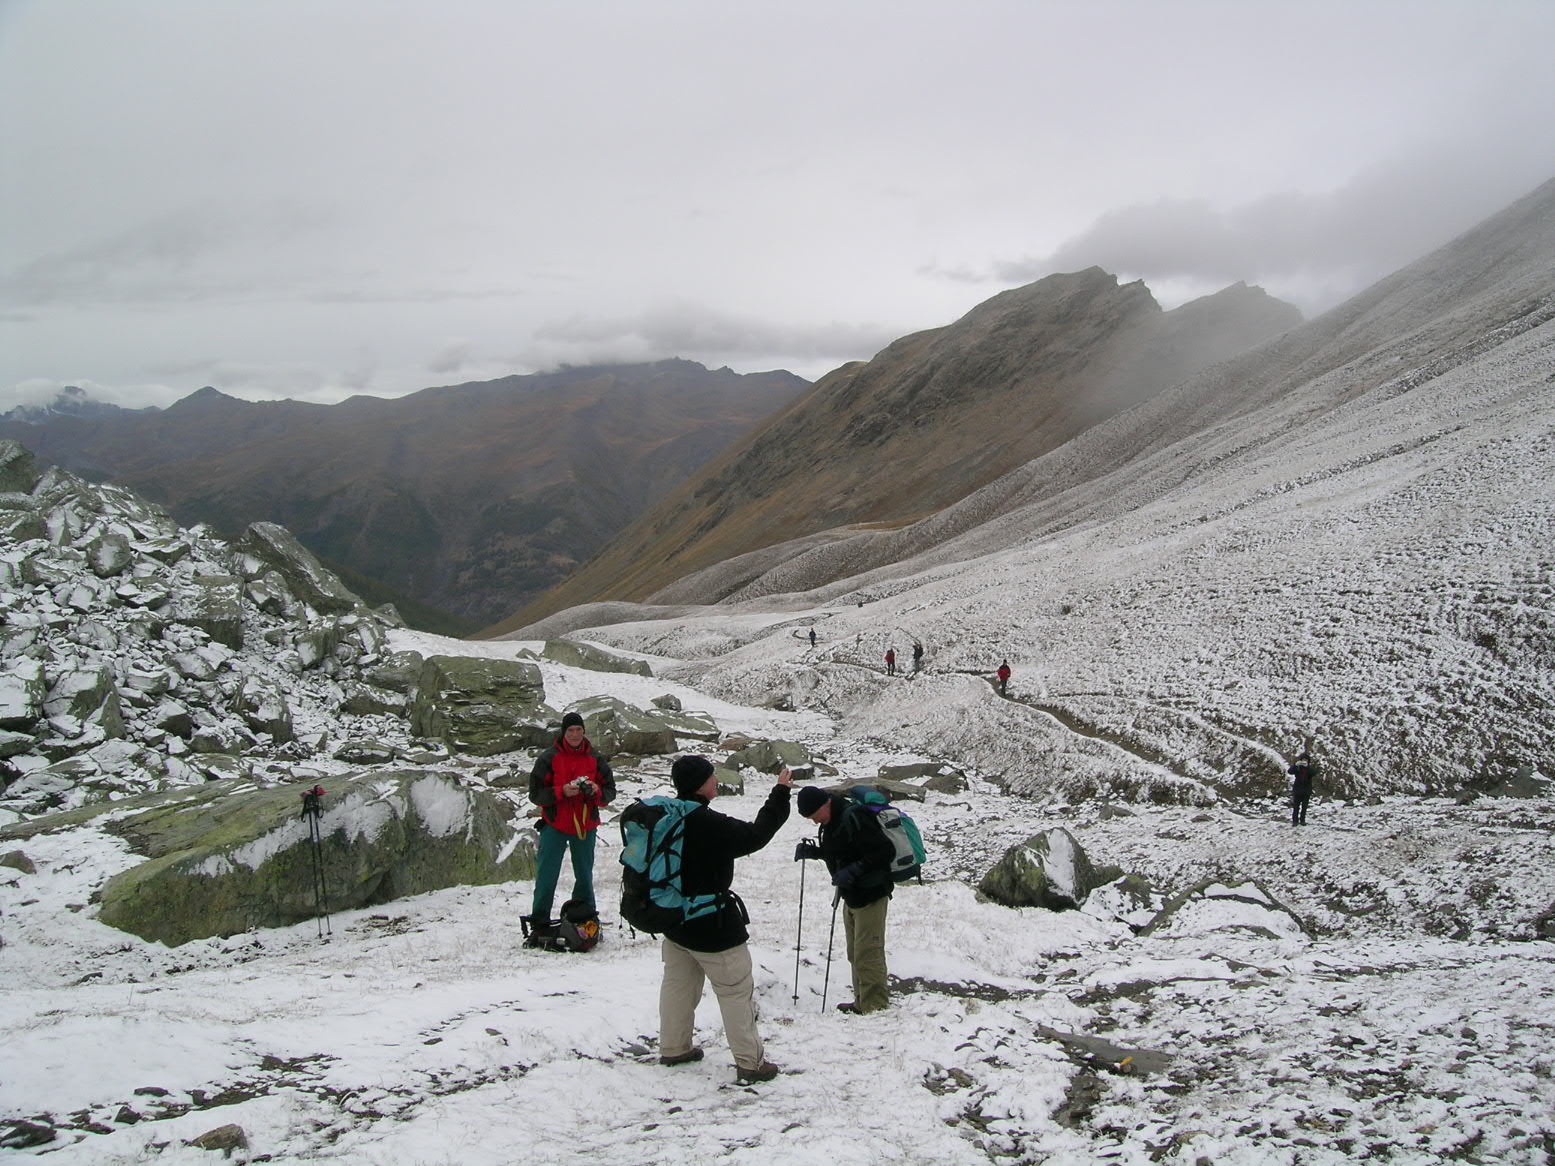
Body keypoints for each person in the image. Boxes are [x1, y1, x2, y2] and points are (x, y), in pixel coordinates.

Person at [657, 755, 793, 1085]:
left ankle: (674, 1048)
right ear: (698, 785)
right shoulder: (708, 823)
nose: (716, 780)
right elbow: (757, 835)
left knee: (677, 987)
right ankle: (751, 1063)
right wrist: (780, 793)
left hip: (674, 922)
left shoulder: (665, 815)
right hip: (713, 925)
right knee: (735, 993)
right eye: (711, 776)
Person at [794, 786, 895, 1014]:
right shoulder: (831, 822)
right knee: (854, 952)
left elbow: (884, 852)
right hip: (851, 895)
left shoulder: (855, 816)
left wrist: (854, 870)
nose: (814, 821)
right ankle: (862, 1001)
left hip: (871, 894)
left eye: (814, 815)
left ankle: (875, 1006)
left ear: (825, 804)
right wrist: (814, 853)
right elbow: (841, 852)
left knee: (868, 953)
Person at [525, 711, 615, 944]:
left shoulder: (595, 758)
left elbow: (610, 792)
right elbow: (535, 794)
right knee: (547, 875)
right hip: (555, 824)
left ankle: (585, 919)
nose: (575, 735)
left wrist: (596, 791)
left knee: (584, 875)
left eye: (579, 730)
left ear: (584, 731)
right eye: (571, 730)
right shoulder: (549, 757)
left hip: (585, 825)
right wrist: (561, 792)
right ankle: (539, 922)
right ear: (563, 733)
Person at [1288, 751, 1315, 826]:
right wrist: (1295, 765)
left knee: (1304, 807)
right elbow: (1290, 771)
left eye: (1306, 760)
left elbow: (1314, 773)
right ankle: (1295, 821)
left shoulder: (1309, 768)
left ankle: (1302, 820)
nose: (1304, 761)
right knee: (1296, 806)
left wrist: (1307, 767)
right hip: (1298, 789)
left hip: (1306, 790)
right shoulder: (1298, 767)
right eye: (1303, 760)